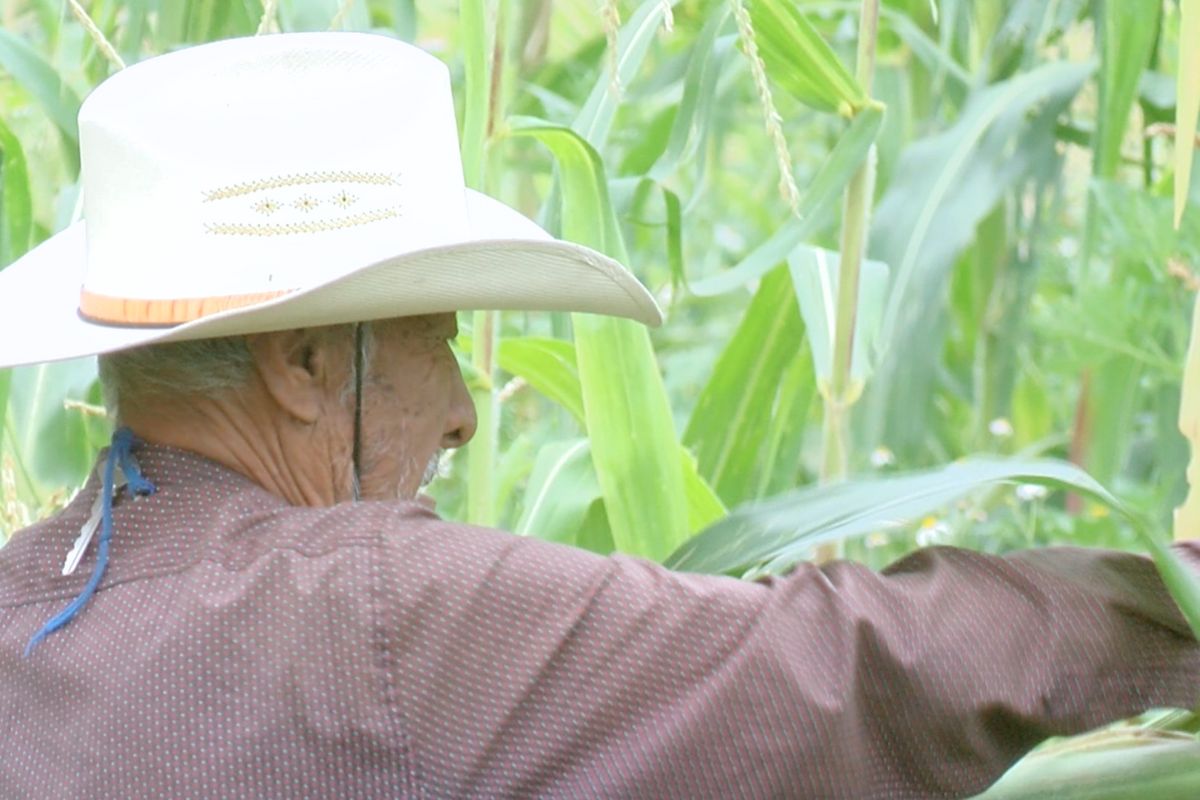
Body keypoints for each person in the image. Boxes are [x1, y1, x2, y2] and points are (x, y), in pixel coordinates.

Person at [0, 32, 1196, 800]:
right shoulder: (369, 611)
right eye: (438, 341)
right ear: (306, 362)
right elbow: (830, 668)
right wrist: (1172, 606)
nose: (466, 414)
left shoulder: (20, 603)